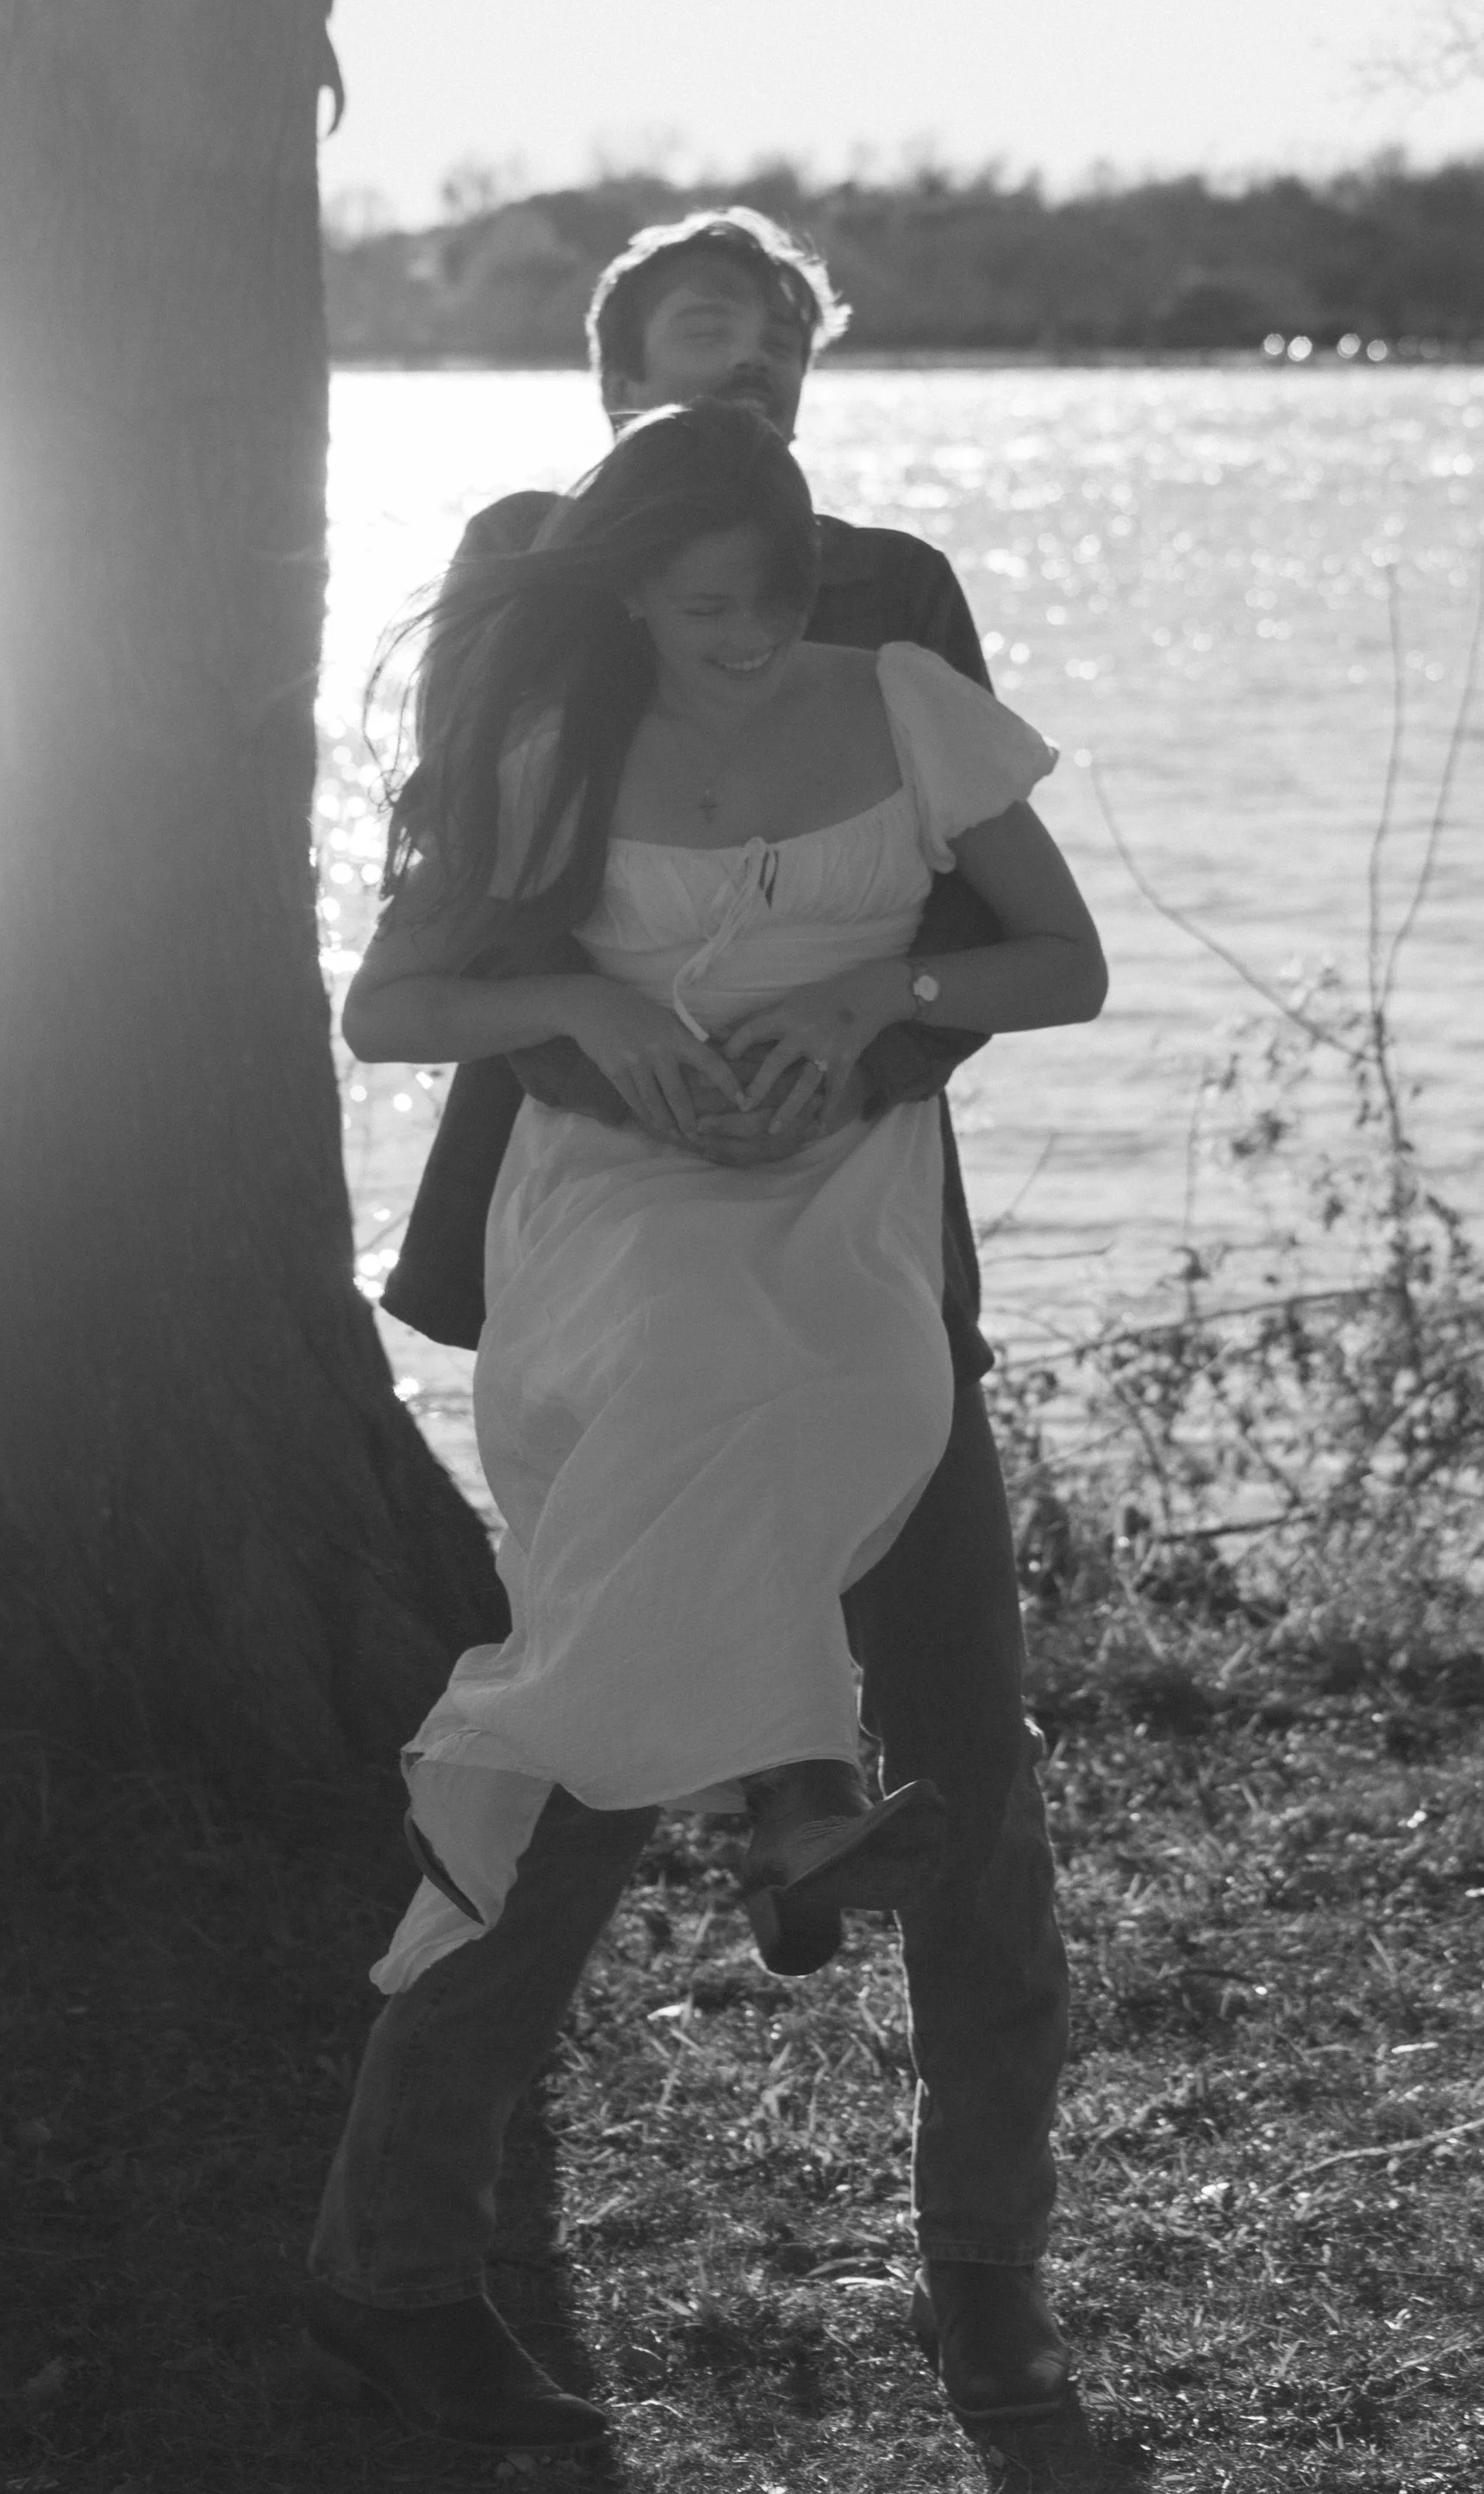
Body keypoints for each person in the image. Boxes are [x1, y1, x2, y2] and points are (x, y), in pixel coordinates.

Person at [305, 213, 1101, 2454]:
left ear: (804, 409)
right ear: (618, 397)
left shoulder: (895, 601)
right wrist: (612, 1041)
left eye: (766, 370)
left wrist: (863, 1042)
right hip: (621, 1255)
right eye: (690, 362)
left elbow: (986, 922)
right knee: (585, 1743)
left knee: (969, 1770)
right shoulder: (531, 595)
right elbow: (458, 943)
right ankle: (393, 2258)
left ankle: (994, 2294)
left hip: (871, 1255)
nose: (732, 400)